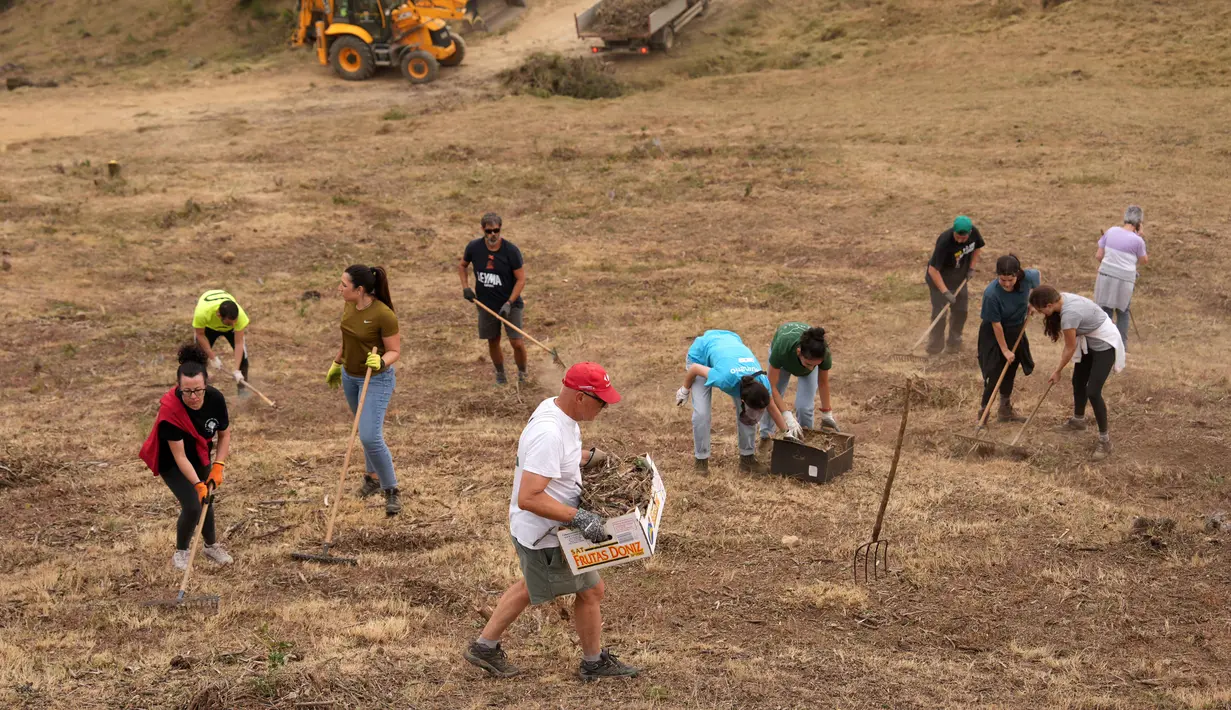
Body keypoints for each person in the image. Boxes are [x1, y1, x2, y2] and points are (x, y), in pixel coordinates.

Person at [463, 362, 640, 681]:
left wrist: (592, 457)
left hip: (545, 531)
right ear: (581, 397)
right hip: (546, 532)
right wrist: (580, 517)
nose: (604, 407)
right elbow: (529, 496)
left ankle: (484, 646)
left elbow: (561, 457)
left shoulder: (558, 412)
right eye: (601, 401)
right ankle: (593, 664)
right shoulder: (549, 432)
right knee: (590, 592)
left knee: (540, 587)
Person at [139, 343, 234, 570]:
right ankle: (181, 553)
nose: (193, 396)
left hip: (200, 454)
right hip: (172, 462)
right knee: (193, 505)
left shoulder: (215, 399)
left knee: (207, 500)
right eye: (187, 391)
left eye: (198, 390)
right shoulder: (170, 410)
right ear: (178, 387)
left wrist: (218, 465)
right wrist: (197, 484)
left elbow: (224, 433)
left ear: (206, 384)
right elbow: (180, 457)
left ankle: (211, 547)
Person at [325, 265, 403, 516]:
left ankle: (391, 489)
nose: (339, 288)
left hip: (376, 379)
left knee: (370, 436)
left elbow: (395, 351)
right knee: (363, 428)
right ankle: (372, 479)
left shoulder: (383, 314)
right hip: (351, 376)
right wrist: (337, 363)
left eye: (344, 285)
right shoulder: (349, 305)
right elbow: (348, 338)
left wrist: (381, 361)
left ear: (359, 290)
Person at [676, 330, 799, 475]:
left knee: (749, 418)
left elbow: (771, 407)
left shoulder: (762, 382)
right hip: (700, 356)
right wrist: (685, 389)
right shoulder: (725, 379)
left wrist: (787, 432)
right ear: (742, 399)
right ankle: (701, 461)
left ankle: (747, 459)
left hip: (730, 343)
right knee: (701, 414)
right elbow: (695, 369)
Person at [1028, 285, 1125, 461]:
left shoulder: (1069, 316)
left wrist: (1057, 371)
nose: (1042, 314)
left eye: (1041, 310)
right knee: (1078, 381)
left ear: (1049, 305)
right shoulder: (1061, 298)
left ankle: (1105, 441)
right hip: (1089, 340)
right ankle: (1078, 421)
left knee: (1093, 392)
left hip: (1105, 345)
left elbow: (1070, 347)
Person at [458, 213, 528, 385]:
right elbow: (462, 266)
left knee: (516, 342)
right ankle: (500, 375)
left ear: (500, 229)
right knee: (493, 340)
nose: (493, 235)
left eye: (496, 230)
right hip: (486, 304)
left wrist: (509, 303)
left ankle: (522, 375)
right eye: (489, 231)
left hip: (510, 304)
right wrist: (466, 287)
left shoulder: (511, 251)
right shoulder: (474, 247)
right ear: (483, 230)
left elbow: (521, 279)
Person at [977, 255, 1040, 425]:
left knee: (1010, 370)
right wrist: (1004, 350)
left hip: (1016, 329)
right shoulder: (991, 294)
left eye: (1010, 279)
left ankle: (1005, 411)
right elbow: (996, 325)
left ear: (1017, 274)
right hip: (993, 333)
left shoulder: (1029, 276)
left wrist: (1032, 302)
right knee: (994, 372)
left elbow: (1037, 281)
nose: (1006, 284)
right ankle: (983, 415)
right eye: (1002, 280)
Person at [759, 323, 839, 443]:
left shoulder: (822, 353)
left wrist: (827, 413)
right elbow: (771, 387)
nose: (811, 369)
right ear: (798, 352)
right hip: (783, 361)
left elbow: (822, 383)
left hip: (805, 356)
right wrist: (787, 416)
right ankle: (766, 437)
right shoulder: (782, 348)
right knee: (771, 399)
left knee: (805, 408)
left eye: (815, 365)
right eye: (808, 364)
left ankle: (805, 439)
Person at [925, 215, 985, 354]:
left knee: (961, 312)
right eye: (957, 236)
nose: (959, 240)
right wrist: (945, 292)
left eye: (963, 238)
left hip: (959, 279)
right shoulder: (944, 241)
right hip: (939, 281)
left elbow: (978, 248)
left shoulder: (974, 233)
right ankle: (934, 349)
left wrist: (971, 267)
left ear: (969, 233)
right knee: (940, 315)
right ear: (953, 230)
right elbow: (933, 270)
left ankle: (954, 344)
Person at [1094, 205, 1148, 350]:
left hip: (1105, 275)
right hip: (1125, 279)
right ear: (1139, 223)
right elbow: (1143, 261)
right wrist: (1141, 236)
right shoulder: (1138, 241)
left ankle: (1103, 344)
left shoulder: (1111, 231)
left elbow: (1099, 256)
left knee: (1105, 310)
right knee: (1123, 312)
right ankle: (1121, 347)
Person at [192, 289, 251, 395]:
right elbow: (200, 335)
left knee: (243, 358)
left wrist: (237, 370)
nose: (234, 325)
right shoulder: (202, 314)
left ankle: (242, 391)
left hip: (223, 325)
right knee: (198, 358)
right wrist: (212, 357)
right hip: (209, 327)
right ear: (219, 315)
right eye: (230, 323)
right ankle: (198, 390)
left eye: (235, 322)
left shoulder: (240, 317)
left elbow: (239, 343)